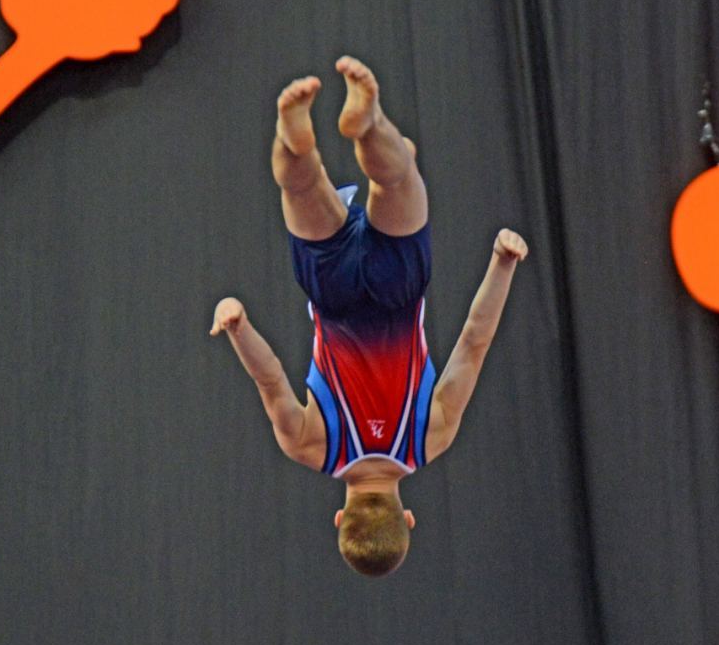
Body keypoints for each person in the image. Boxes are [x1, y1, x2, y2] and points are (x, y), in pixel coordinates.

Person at [211, 56, 528, 576]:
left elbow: (474, 342)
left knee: (398, 179)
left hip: (399, 291)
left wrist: (503, 263)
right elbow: (269, 380)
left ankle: (370, 125)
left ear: (409, 518)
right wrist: (237, 327)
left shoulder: (431, 437)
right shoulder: (311, 446)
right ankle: (295, 141)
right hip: (332, 296)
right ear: (340, 518)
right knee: (301, 189)